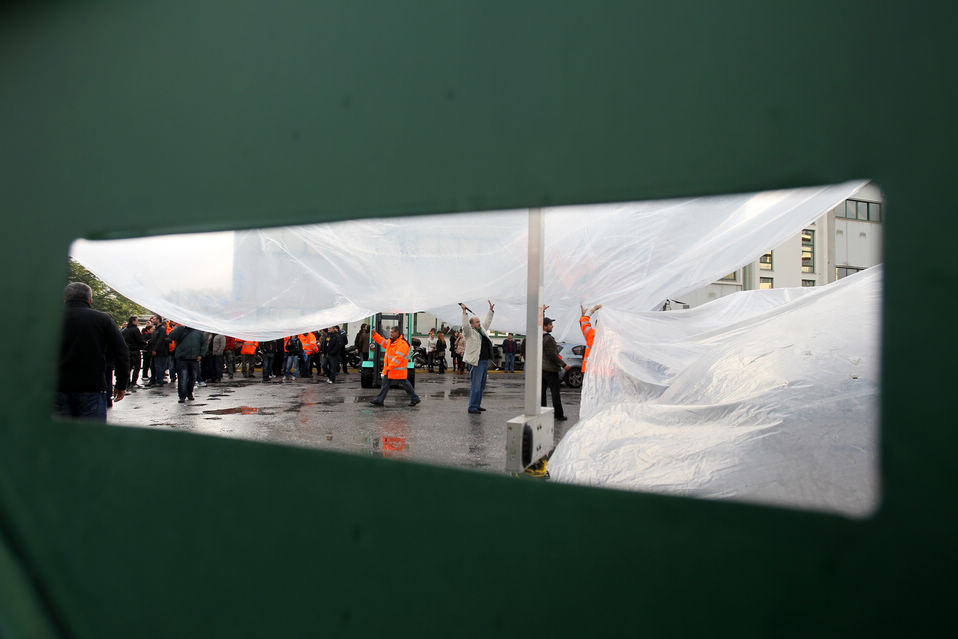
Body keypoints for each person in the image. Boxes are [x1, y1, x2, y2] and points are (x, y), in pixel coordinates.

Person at [56, 282, 129, 420]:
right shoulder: (102, 319)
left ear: (65, 298)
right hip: (91, 386)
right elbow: (122, 352)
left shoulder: (51, 318)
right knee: (91, 437)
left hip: (57, 386)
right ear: (90, 300)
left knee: (57, 438)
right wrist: (121, 384)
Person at [369, 326, 420, 407]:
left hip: (397, 370)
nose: (391, 334)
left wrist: (389, 367)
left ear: (397, 332)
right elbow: (383, 342)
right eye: (390, 332)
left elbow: (398, 358)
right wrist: (375, 335)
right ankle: (379, 400)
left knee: (405, 384)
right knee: (385, 385)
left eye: (392, 332)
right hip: (391, 369)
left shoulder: (403, 343)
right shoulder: (391, 341)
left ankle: (415, 398)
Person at [460, 300, 495, 414]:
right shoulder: (469, 332)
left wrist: (490, 311)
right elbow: (465, 325)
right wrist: (464, 312)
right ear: (472, 324)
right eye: (477, 322)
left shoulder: (482, 330)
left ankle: (477, 404)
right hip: (476, 362)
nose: (479, 323)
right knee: (476, 385)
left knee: (482, 385)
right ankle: (472, 407)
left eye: (479, 321)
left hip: (484, 361)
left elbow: (487, 322)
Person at [541, 314, 571, 421]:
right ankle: (558, 414)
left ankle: (542, 412)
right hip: (551, 370)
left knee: (542, 393)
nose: (552, 326)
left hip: (541, 369)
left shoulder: (538, 337)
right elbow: (552, 355)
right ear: (545, 326)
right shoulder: (548, 339)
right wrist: (564, 365)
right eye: (550, 324)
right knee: (555, 393)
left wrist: (542, 312)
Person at [169, 323, 205, 403]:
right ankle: (182, 395)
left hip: (194, 358)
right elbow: (171, 336)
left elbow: (203, 344)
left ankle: (189, 393)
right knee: (183, 378)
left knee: (193, 377)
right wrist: (178, 328)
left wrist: (201, 354)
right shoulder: (180, 329)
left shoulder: (199, 332)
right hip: (182, 358)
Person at [121, 316, 147, 390]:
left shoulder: (124, 330)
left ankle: (127, 383)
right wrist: (145, 343)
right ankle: (133, 382)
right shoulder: (135, 329)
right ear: (133, 321)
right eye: (136, 320)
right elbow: (140, 339)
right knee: (137, 367)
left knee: (129, 368)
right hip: (135, 350)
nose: (137, 322)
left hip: (127, 351)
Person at [147, 317, 171, 386]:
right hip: (155, 351)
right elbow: (154, 339)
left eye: (154, 319)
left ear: (158, 320)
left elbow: (160, 340)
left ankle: (159, 381)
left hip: (160, 351)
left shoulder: (162, 329)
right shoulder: (156, 329)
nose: (152, 320)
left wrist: (155, 349)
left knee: (159, 367)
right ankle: (153, 380)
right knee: (153, 367)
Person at [579, 303, 602, 374]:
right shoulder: (610, 337)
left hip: (589, 369)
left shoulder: (590, 334)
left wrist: (593, 309)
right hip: (604, 371)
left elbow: (584, 322)